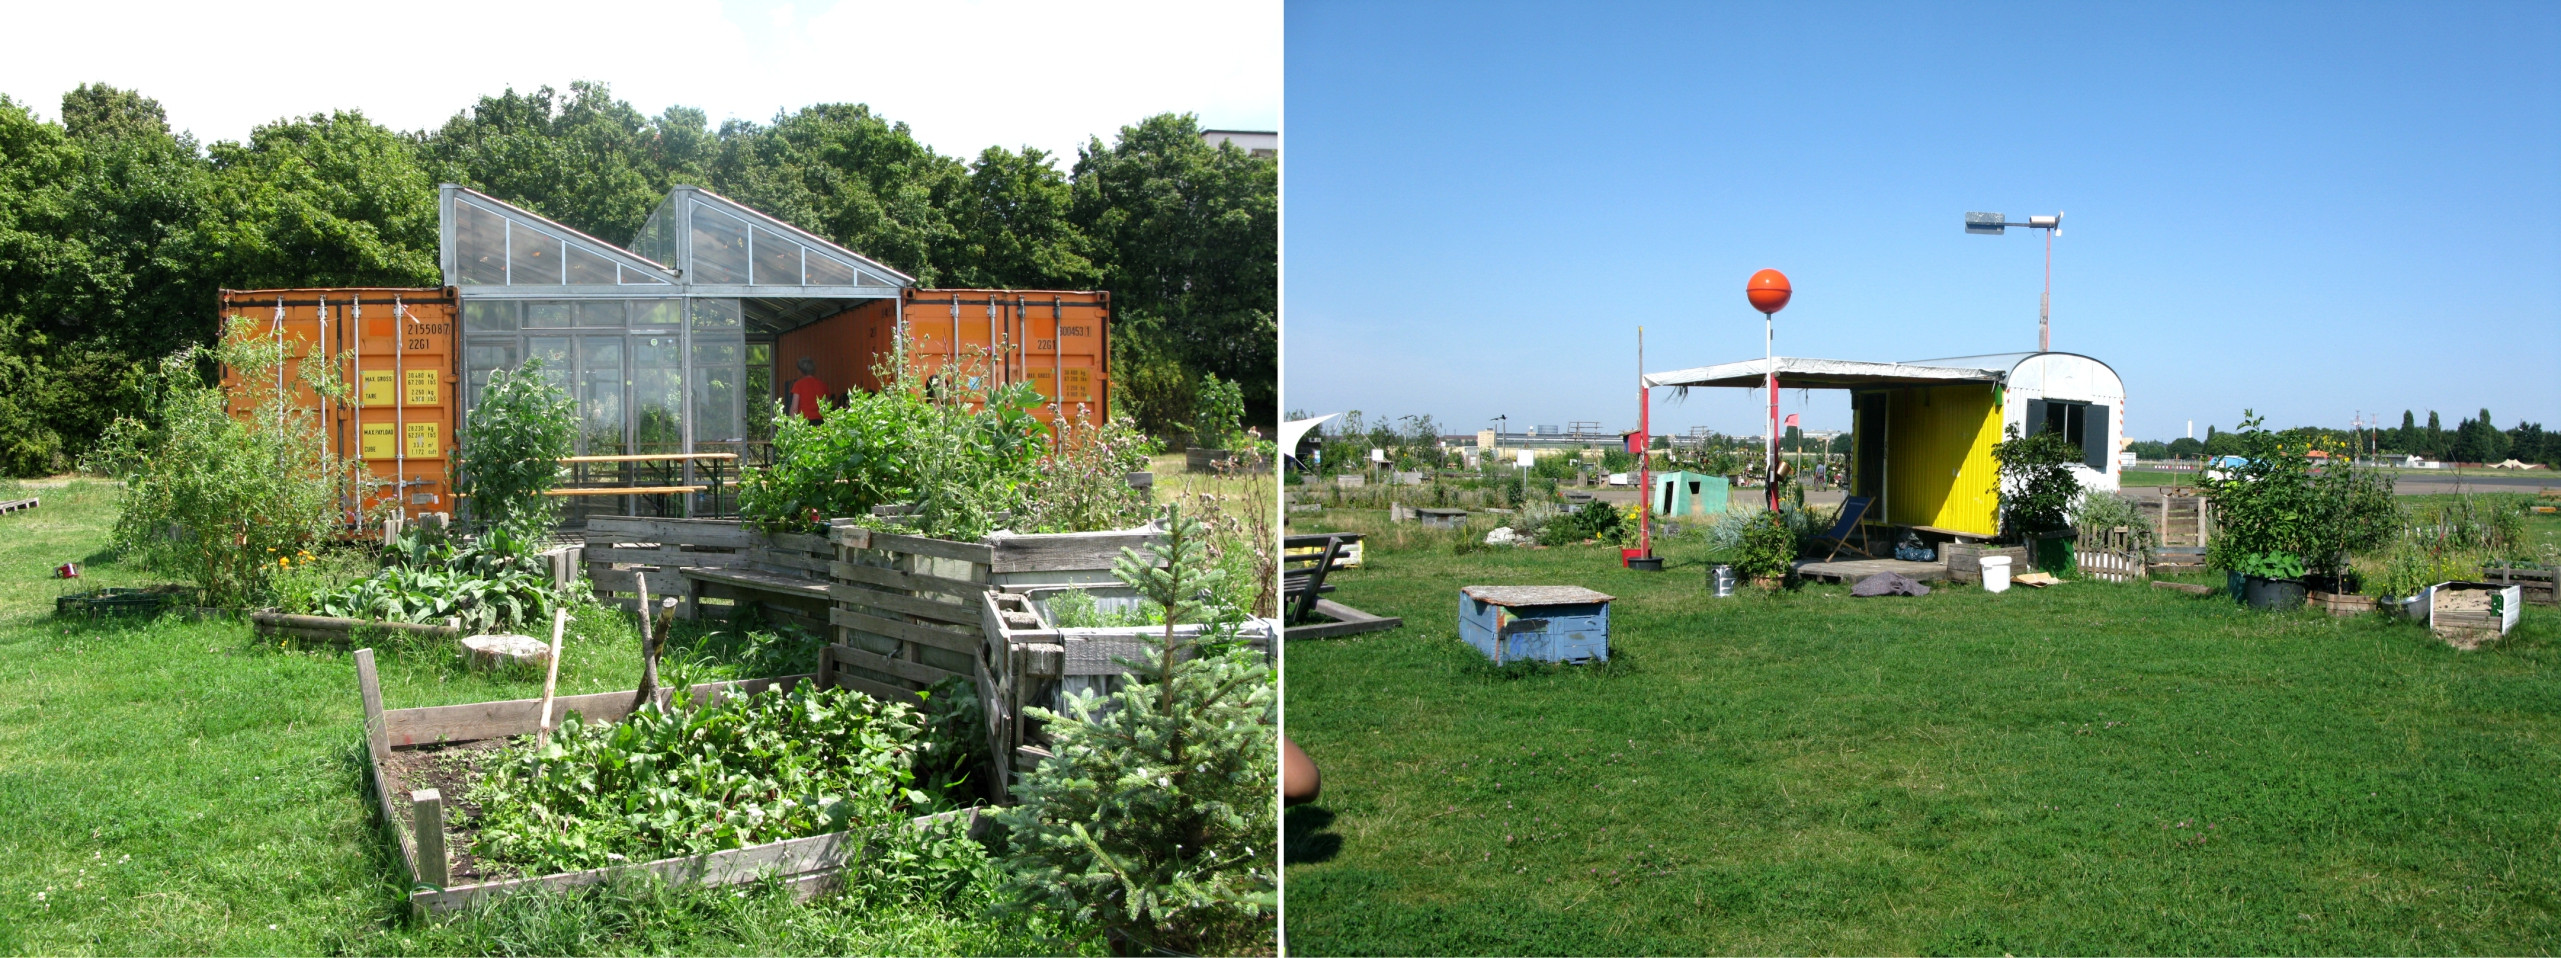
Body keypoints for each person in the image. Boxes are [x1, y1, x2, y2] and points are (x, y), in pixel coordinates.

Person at [786, 356, 828, 423]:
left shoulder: (798, 385)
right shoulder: (822, 385)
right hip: (820, 423)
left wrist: (791, 424)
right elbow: (827, 406)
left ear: (800, 371)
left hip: (804, 423)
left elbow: (794, 408)